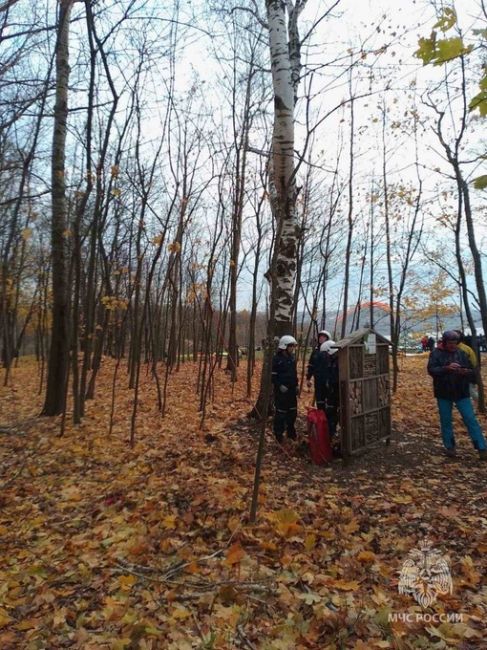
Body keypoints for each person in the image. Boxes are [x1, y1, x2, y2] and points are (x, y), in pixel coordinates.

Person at [427, 330, 487, 460]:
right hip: (443, 392)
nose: (452, 345)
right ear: (444, 342)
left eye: (455, 343)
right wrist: (446, 368)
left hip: (462, 392)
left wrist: (466, 372)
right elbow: (431, 370)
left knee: (470, 419)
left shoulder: (462, 353)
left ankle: (482, 447)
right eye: (450, 343)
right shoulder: (436, 353)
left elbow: (472, 370)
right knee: (446, 420)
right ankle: (450, 447)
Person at [272, 335, 299, 443]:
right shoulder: (276, 359)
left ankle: (291, 433)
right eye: (290, 346)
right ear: (284, 346)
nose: (292, 348)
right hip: (281, 392)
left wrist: (296, 385)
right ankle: (278, 435)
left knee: (293, 412)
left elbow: (294, 374)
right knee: (281, 414)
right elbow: (273, 377)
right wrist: (279, 385)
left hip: (292, 392)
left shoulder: (292, 359)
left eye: (293, 346)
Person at [319, 340, 340, 437]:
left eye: (326, 353)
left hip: (337, 392)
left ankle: (334, 431)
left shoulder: (339, 361)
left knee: (335, 413)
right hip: (331, 392)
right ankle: (331, 432)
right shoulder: (330, 361)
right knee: (330, 412)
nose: (325, 356)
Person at [306, 330, 331, 409]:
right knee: (320, 400)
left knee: (329, 401)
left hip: (328, 380)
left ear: (327, 339)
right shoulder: (315, 352)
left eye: (323, 337)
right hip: (318, 380)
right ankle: (320, 417)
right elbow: (311, 365)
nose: (321, 338)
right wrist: (308, 378)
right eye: (320, 336)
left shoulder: (331, 350)